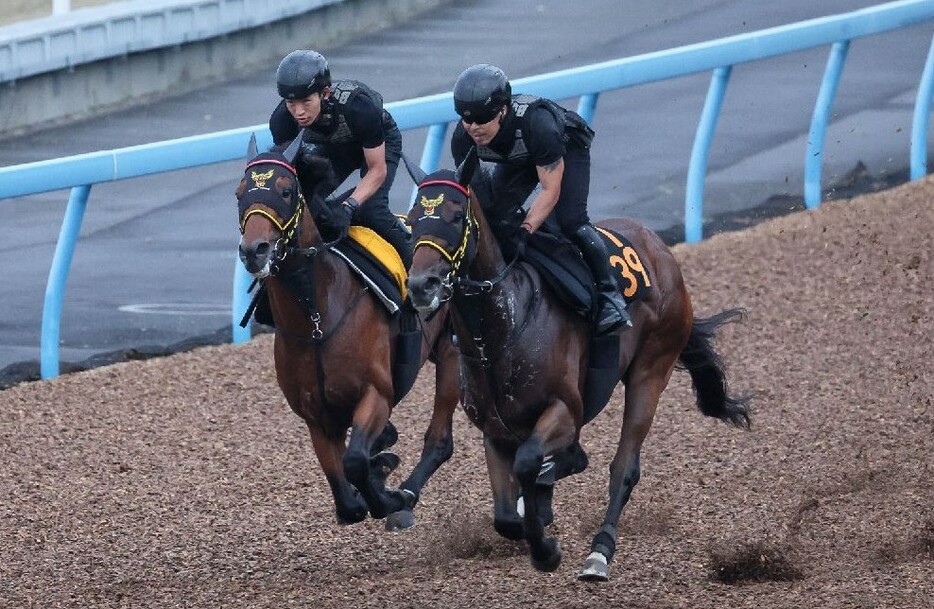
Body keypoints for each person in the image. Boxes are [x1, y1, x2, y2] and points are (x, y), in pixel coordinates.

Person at [449, 63, 632, 334]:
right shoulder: (463, 139)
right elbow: (472, 196)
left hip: (564, 149)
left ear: (502, 110)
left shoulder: (539, 125)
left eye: (482, 120)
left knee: (571, 222)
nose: (474, 128)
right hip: (518, 158)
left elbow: (550, 191)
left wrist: (526, 228)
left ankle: (610, 296)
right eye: (467, 120)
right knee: (494, 218)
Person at [268, 49, 412, 268]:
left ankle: (416, 270)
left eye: (306, 102)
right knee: (309, 212)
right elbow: (292, 180)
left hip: (377, 145)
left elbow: (377, 170)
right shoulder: (282, 122)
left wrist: (348, 206)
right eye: (291, 103)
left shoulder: (360, 108)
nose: (298, 112)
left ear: (325, 94)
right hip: (331, 148)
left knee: (371, 210)